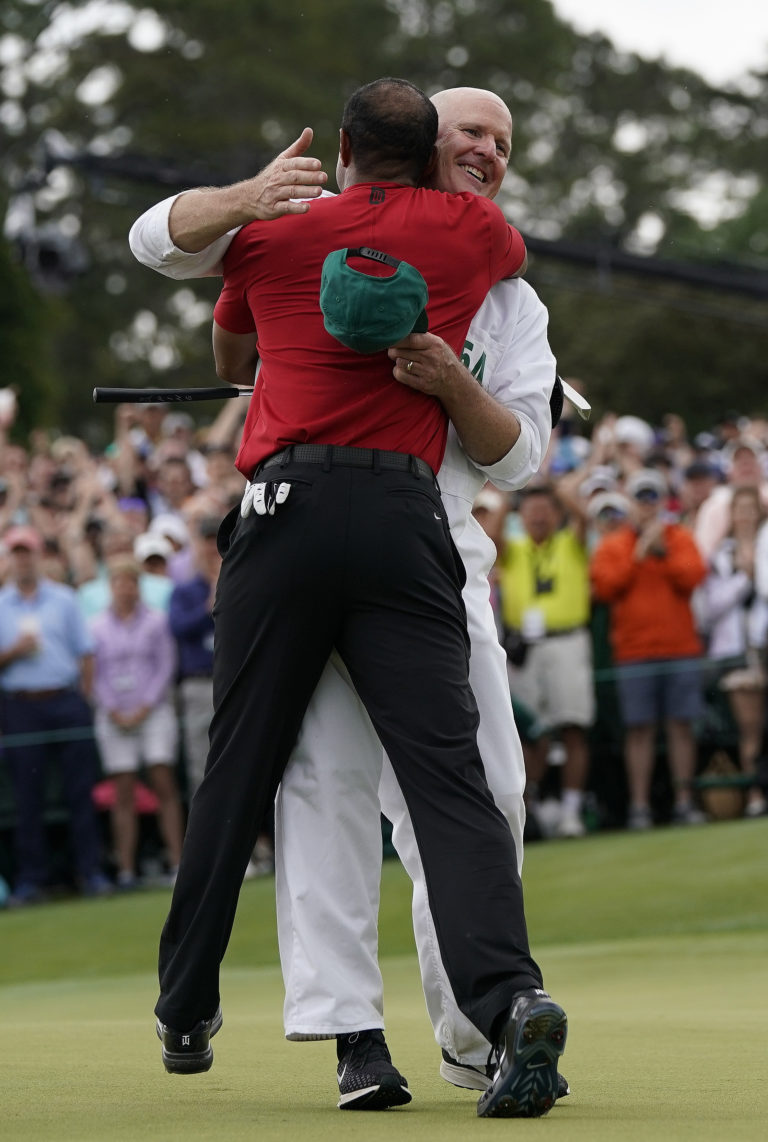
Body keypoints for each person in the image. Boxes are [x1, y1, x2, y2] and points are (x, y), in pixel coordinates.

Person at [130, 85, 566, 1108]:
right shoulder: (458, 233)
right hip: (398, 530)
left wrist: (449, 381)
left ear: (345, 145)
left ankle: (469, 1026)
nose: (488, 152)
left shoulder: (342, 236)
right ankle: (377, 1034)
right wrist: (251, 196)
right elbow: (159, 240)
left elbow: (521, 460)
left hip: (389, 532)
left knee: (461, 788)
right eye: (471, 134)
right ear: (426, 146)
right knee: (336, 788)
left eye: (503, 142)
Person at [591, 468, 708, 828]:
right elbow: (605, 588)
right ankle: (640, 806)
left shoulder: (680, 538)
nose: (646, 505)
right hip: (634, 651)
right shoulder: (614, 544)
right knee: (638, 729)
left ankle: (684, 801)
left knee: (680, 727)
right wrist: (639, 554)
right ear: (632, 504)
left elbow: (693, 576)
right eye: (640, 498)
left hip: (679, 647)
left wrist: (663, 552)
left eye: (651, 497)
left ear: (661, 502)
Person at [0, 524, 110, 903]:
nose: (22, 559)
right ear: (9, 559)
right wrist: (14, 650)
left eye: (27, 552)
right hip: (20, 706)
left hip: (65, 701)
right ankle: (32, 879)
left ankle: (91, 871)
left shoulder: (63, 599)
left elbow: (85, 653)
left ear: (38, 556)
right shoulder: (0, 604)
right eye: (16, 553)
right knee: (26, 797)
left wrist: (84, 697)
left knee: (81, 791)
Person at [498, 483, 595, 838]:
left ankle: (571, 811)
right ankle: (532, 810)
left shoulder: (571, 543)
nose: (538, 516)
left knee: (572, 726)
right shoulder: (515, 549)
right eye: (531, 510)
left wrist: (555, 486)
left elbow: (585, 517)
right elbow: (491, 534)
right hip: (525, 646)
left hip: (567, 640)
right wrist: (511, 486)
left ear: (557, 514)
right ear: (519, 517)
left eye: (545, 510)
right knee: (526, 733)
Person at [90, 556, 184, 889]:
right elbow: (94, 674)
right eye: (119, 582)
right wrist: (114, 708)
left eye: (131, 582)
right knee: (123, 791)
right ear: (111, 587)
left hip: (152, 710)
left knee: (163, 782)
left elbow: (165, 665)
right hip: (114, 715)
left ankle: (178, 863)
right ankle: (127, 871)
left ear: (137, 586)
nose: (125, 588)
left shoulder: (156, 621)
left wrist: (144, 706)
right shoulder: (97, 626)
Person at [700, 486, 768, 818]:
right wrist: (745, 577)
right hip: (737, 652)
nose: (745, 517)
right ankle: (755, 792)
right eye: (739, 510)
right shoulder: (721, 554)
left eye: (750, 510)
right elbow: (712, 607)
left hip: (762, 644)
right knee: (750, 728)